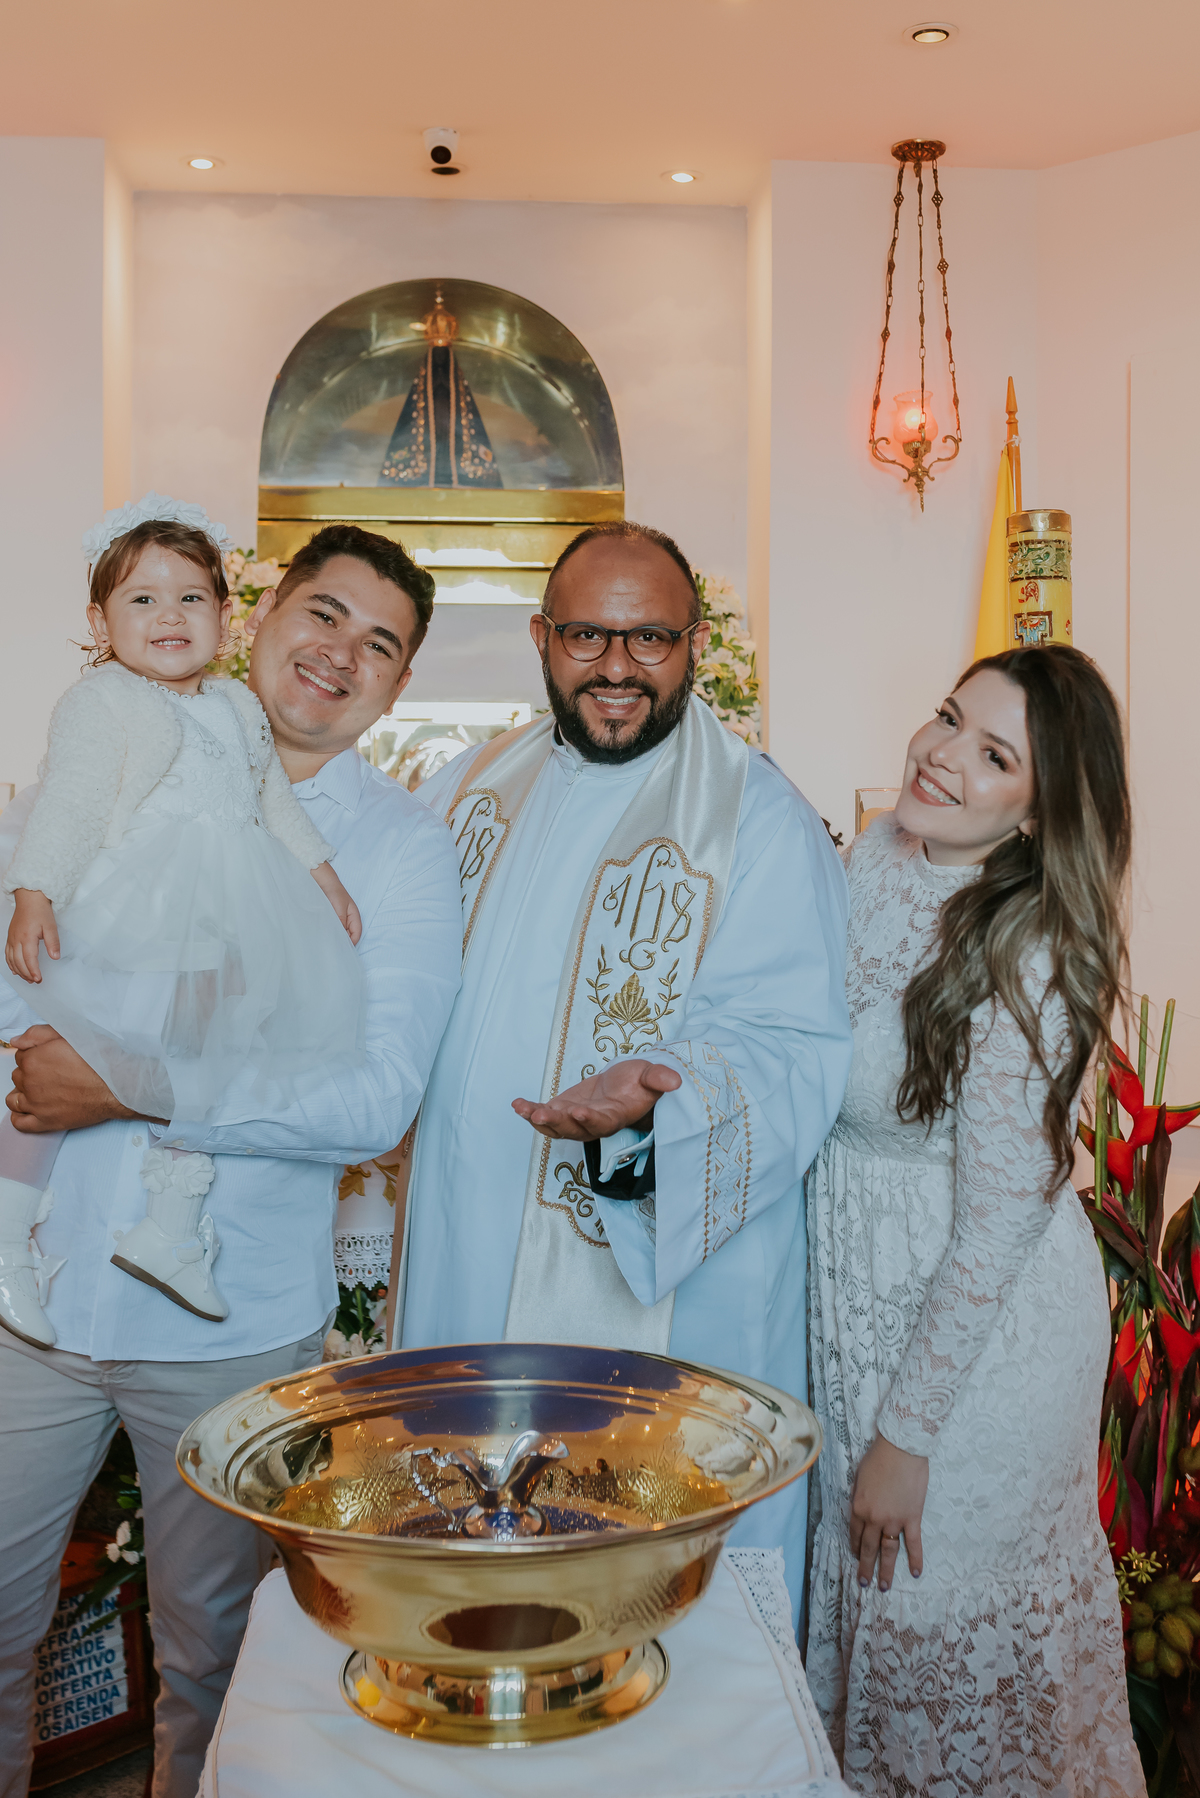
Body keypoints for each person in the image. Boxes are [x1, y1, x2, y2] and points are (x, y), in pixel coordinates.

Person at [0, 521, 461, 1798]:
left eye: (381, 643)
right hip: (27, 1299)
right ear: (257, 615)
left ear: (400, 683)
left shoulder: (398, 852)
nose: (340, 654)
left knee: (218, 1659)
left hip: (229, 1321)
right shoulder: (80, 771)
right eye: (323, 613)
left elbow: (371, 1097)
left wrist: (127, 1089)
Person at [392, 521, 852, 1618]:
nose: (616, 666)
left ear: (695, 642)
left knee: (653, 1599)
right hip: (465, 1236)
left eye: (649, 638)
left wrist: (651, 1113)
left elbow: (797, 1046)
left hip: (662, 1278)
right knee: (469, 1546)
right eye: (589, 634)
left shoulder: (759, 817)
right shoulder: (467, 786)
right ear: (542, 636)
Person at [805, 645, 1145, 1794]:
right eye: (949, 719)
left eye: (994, 754)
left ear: (1042, 811)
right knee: (872, 1626)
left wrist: (908, 1439)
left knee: (936, 1629)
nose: (942, 756)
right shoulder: (874, 856)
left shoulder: (1032, 947)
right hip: (863, 1297)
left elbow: (1000, 1224)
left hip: (972, 1356)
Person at [0, 498, 365, 1343]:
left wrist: (323, 876)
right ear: (100, 621)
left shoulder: (237, 708)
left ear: (227, 615)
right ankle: (10, 1233)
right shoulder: (104, 702)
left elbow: (274, 802)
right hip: (138, 908)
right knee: (65, 1062)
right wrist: (33, 890)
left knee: (204, 1062)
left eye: (192, 598)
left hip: (224, 920)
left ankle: (170, 1226)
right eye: (142, 600)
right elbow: (73, 805)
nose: (170, 616)